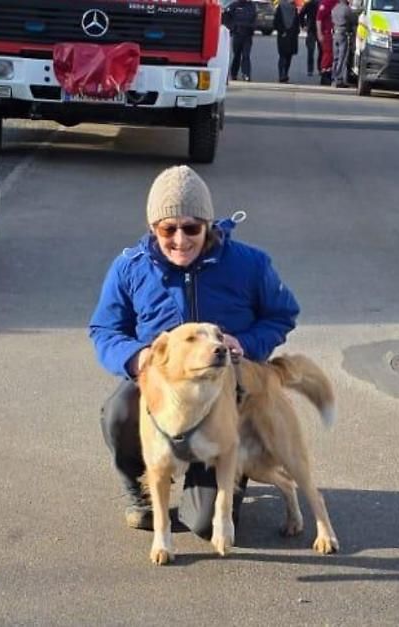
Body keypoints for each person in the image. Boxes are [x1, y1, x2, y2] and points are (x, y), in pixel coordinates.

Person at [90, 165, 300, 539]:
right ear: (153, 228)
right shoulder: (130, 267)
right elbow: (104, 329)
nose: (180, 240)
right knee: (119, 412)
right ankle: (142, 492)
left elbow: (282, 314)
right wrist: (135, 357)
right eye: (167, 229)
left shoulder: (250, 264)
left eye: (191, 228)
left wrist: (246, 343)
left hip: (224, 389)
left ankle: (224, 473)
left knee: (202, 525)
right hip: (162, 384)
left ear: (208, 225)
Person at [224, 0, 257, 81]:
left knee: (246, 55)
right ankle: (234, 74)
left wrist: (253, 27)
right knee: (237, 56)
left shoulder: (252, 6)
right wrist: (232, 27)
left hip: (247, 35)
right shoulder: (235, 5)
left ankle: (246, 74)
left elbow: (254, 18)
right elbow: (226, 16)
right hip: (237, 34)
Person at [274, 0, 302, 83]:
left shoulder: (290, 7)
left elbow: (276, 21)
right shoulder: (286, 7)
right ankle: (283, 74)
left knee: (285, 56)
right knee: (285, 56)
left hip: (287, 35)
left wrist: (282, 31)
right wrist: (283, 31)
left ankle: (283, 74)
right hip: (288, 35)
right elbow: (277, 21)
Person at [331, 0, 354, 88]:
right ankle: (339, 79)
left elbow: (332, 19)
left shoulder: (335, 8)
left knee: (335, 58)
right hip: (343, 34)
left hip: (335, 34)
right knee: (342, 58)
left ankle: (333, 78)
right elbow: (353, 21)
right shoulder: (347, 9)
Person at [316, 0, 337, 85]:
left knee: (333, 55)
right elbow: (319, 19)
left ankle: (329, 72)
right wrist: (319, 33)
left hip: (335, 33)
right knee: (327, 53)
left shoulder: (338, 2)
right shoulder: (325, 4)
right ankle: (325, 74)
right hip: (327, 33)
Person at [300, 0, 321, 77]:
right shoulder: (321, 3)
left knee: (310, 51)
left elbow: (301, 15)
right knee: (321, 51)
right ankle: (320, 68)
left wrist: (303, 25)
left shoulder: (309, 4)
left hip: (311, 29)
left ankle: (310, 70)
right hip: (320, 29)